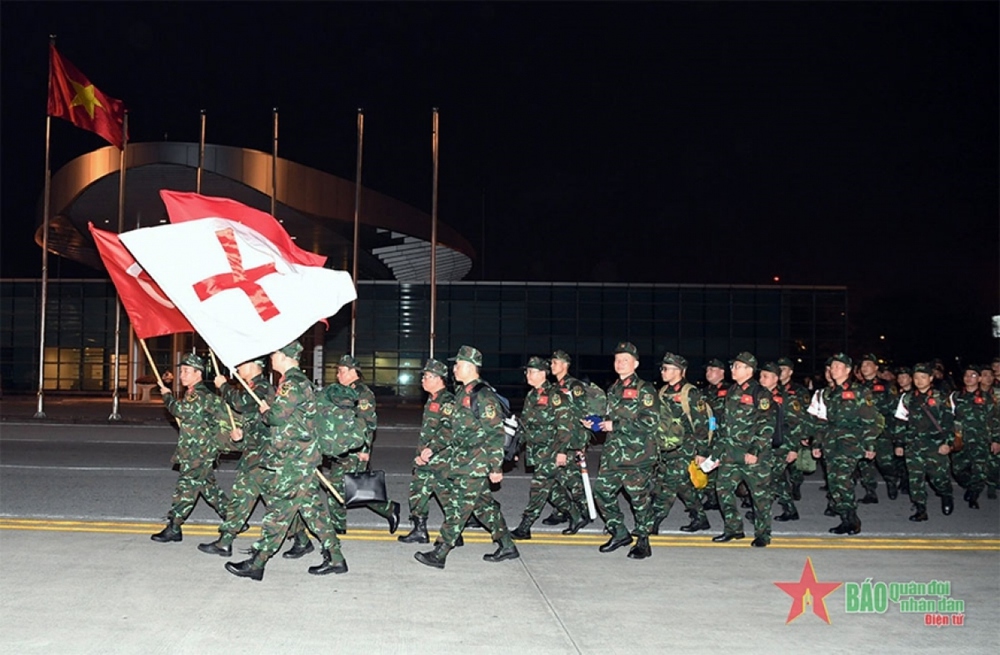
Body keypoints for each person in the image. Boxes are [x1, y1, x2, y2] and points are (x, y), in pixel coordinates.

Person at [225, 340, 345, 580]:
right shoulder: (298, 381)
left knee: (278, 513)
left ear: (286, 356)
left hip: (294, 460)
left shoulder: (292, 382)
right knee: (313, 511)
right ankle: (335, 558)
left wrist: (266, 411)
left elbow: (278, 418)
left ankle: (257, 562)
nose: (272, 357)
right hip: (302, 457)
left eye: (275, 353)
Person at [414, 345, 518, 569]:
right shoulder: (462, 393)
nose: (454, 369)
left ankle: (440, 552)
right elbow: (453, 430)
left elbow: (495, 434)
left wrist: (496, 467)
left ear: (470, 367)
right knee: (483, 507)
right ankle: (507, 545)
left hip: (476, 462)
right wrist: (433, 448)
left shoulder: (483, 395)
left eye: (458, 365)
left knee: (458, 506)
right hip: (463, 460)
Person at [586, 342, 659, 559]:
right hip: (613, 455)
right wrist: (598, 423)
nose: (620, 363)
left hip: (637, 455)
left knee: (639, 499)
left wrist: (614, 426)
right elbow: (612, 418)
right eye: (617, 359)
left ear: (635, 363)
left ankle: (643, 541)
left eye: (625, 360)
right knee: (602, 492)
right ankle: (619, 532)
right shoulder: (614, 389)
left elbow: (650, 422)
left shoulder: (645, 389)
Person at [151, 353, 230, 543]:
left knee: (185, 489)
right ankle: (234, 518)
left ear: (198, 373)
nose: (182, 375)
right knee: (208, 488)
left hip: (198, 452)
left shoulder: (198, 394)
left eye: (187, 371)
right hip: (198, 450)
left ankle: (174, 527)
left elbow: (182, 412)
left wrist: (167, 396)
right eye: (181, 371)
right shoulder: (195, 392)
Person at [198, 357, 274, 557]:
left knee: (246, 497)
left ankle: (226, 541)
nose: (237, 369)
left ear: (252, 365)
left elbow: (241, 404)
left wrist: (223, 386)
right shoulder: (254, 387)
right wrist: (241, 433)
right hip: (258, 453)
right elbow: (255, 419)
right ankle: (300, 537)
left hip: (263, 455)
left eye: (240, 365)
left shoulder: (260, 387)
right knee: (274, 502)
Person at [699, 352, 774, 548]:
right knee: (723, 490)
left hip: (751, 455)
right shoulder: (731, 391)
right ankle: (733, 529)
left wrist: (755, 450)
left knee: (759, 496)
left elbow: (766, 425)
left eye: (737, 366)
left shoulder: (761, 393)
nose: (733, 369)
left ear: (749, 370)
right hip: (730, 454)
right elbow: (723, 427)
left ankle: (763, 534)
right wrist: (716, 454)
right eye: (733, 366)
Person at [511, 357, 590, 540]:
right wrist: (514, 449)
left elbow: (565, 425)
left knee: (538, 487)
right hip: (537, 451)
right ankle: (576, 515)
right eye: (527, 371)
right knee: (553, 489)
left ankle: (525, 526)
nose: (527, 375)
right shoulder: (532, 395)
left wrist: (562, 450)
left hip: (552, 450)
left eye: (531, 371)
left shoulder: (555, 396)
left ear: (542, 374)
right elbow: (525, 426)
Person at [325, 354, 400, 535]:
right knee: (339, 488)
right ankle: (339, 526)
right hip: (341, 447)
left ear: (352, 372)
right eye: (338, 371)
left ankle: (388, 508)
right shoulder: (339, 391)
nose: (338, 375)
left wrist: (364, 450)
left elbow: (368, 423)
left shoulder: (363, 393)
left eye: (342, 371)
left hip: (354, 449)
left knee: (354, 489)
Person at [809, 353, 879, 535]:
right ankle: (845, 518)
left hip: (851, 442)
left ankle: (852, 519)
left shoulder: (860, 392)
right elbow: (821, 421)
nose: (834, 370)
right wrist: (816, 443)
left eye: (838, 366)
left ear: (848, 370)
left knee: (842, 479)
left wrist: (869, 445)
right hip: (831, 443)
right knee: (833, 483)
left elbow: (871, 420)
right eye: (832, 367)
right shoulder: (827, 393)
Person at [650, 352, 711, 534]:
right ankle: (700, 518)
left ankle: (652, 523)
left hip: (685, 448)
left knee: (668, 485)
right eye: (663, 368)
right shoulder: (663, 392)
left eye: (666, 368)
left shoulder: (690, 393)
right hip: (666, 447)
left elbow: (701, 424)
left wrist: (701, 451)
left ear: (680, 371)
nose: (663, 372)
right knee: (682, 484)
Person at [398, 358, 456, 544]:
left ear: (438, 378)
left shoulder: (447, 401)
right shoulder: (432, 399)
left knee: (445, 495)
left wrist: (430, 450)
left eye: (426, 376)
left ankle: (454, 532)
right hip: (428, 457)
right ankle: (420, 530)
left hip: (440, 458)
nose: (422, 379)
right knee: (419, 490)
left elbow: (448, 430)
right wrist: (421, 454)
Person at [894, 362, 956, 522]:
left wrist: (947, 443)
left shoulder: (941, 397)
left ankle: (946, 494)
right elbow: (900, 423)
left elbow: (950, 423)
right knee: (915, 479)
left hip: (936, 445)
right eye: (916, 377)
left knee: (938, 477)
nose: (919, 380)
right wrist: (899, 444)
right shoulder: (907, 398)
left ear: (930, 378)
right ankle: (920, 508)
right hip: (913, 445)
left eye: (923, 377)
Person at [543, 349, 592, 527]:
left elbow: (581, 414)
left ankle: (584, 511)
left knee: (571, 480)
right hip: (558, 439)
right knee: (558, 477)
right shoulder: (555, 387)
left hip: (571, 440)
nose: (551, 365)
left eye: (555, 362)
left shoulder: (574, 386)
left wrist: (582, 442)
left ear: (565, 365)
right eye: (552, 362)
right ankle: (562, 510)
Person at [758, 362, 800, 523]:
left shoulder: (786, 397)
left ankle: (761, 514)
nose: (761, 379)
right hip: (764, 445)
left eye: (765, 376)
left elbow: (795, 424)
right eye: (761, 376)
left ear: (775, 378)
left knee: (767, 480)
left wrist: (793, 448)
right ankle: (790, 509)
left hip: (782, 445)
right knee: (778, 479)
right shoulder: (760, 395)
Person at [949, 364, 995, 509]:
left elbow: (995, 420)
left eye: (973, 375)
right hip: (960, 440)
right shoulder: (955, 397)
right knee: (957, 469)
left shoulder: (988, 399)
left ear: (980, 378)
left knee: (980, 470)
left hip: (981, 440)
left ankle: (974, 495)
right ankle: (970, 486)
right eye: (966, 375)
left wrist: (996, 440)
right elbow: (947, 417)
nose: (969, 378)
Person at [856, 353, 900, 502]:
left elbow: (895, 409)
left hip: (882, 430)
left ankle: (891, 481)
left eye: (868, 365)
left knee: (884, 461)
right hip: (863, 431)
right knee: (864, 463)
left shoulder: (887, 386)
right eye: (863, 365)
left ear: (876, 367)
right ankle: (870, 492)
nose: (865, 368)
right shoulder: (857, 388)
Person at [777, 357, 812, 502]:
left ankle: (796, 485)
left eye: (783, 369)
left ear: (790, 372)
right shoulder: (773, 388)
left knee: (793, 465)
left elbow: (806, 412)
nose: (780, 372)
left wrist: (806, 434)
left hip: (794, 431)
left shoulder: (798, 390)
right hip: (778, 432)